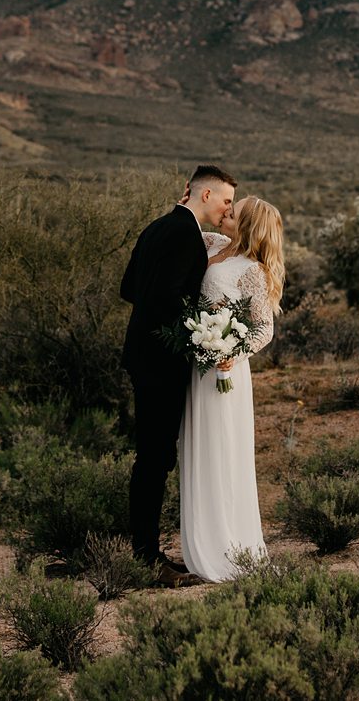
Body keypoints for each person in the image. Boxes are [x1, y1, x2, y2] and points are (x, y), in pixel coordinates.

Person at [119, 164, 236, 586]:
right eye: (226, 200)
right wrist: (205, 332)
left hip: (142, 355)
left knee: (153, 456)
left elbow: (129, 288)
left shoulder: (155, 227)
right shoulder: (185, 234)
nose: (228, 208)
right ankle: (146, 557)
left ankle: (146, 550)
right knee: (155, 459)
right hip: (160, 362)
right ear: (205, 196)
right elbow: (168, 298)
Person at [180, 195, 283, 581]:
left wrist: (233, 353)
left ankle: (228, 546)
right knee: (199, 447)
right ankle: (201, 540)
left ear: (247, 226)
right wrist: (186, 206)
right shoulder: (215, 244)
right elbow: (189, 231)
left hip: (225, 369)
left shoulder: (252, 270)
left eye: (233, 212)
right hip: (198, 364)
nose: (226, 213)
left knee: (223, 449)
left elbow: (264, 328)